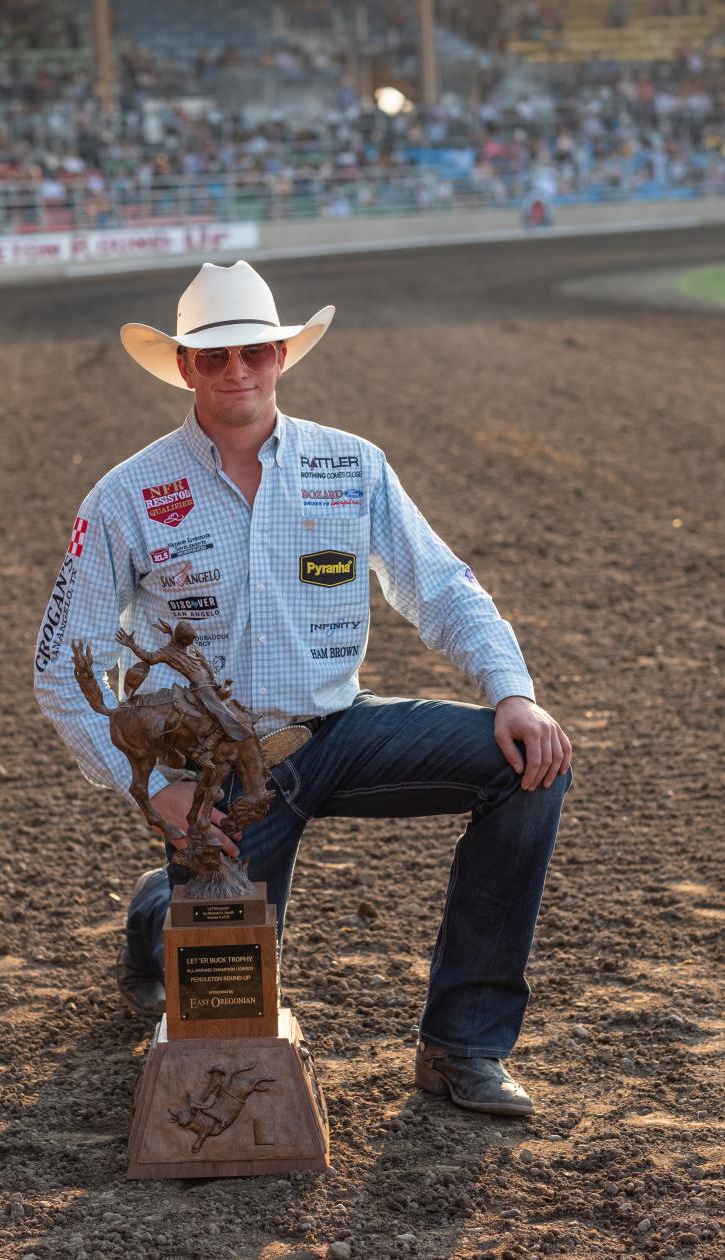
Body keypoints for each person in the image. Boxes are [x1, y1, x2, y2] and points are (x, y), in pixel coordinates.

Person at [34, 259, 573, 1117]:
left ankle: (464, 1045)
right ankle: (152, 926)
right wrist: (163, 793)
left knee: (526, 763)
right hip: (218, 779)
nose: (237, 371)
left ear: (283, 353)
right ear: (184, 367)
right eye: (214, 358)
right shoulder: (126, 496)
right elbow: (65, 660)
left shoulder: (352, 467)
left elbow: (438, 588)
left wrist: (513, 691)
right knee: (215, 1006)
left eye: (254, 351)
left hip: (339, 731)